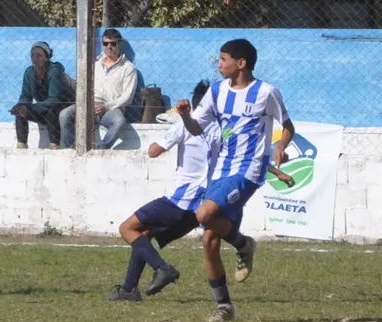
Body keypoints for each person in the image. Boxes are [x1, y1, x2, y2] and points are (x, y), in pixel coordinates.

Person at [110, 81, 296, 302]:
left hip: (181, 199)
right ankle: (130, 289)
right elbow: (243, 158)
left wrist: (175, 129)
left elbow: (153, 151)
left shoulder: (188, 123)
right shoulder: (224, 129)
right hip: (209, 200)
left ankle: (163, 269)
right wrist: (276, 172)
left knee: (128, 228)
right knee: (146, 235)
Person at [176, 39, 295, 322]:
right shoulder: (216, 92)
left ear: (240, 63)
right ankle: (225, 307)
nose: (219, 64)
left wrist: (279, 147)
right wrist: (184, 116)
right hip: (219, 171)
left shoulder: (266, 92)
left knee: (203, 214)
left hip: (249, 170)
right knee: (208, 239)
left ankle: (242, 244)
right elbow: (196, 129)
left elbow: (288, 127)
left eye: (223, 59)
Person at [60, 29, 137, 149]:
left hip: (110, 108)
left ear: (119, 44)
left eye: (113, 43)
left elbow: (128, 97)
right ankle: (69, 149)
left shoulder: (128, 68)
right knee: (64, 115)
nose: (109, 47)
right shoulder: (94, 64)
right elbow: (83, 84)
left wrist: (106, 106)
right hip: (90, 104)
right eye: (105, 43)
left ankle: (101, 149)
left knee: (119, 122)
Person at [10, 41, 74, 149]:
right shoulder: (29, 72)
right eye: (33, 55)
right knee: (20, 110)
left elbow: (54, 100)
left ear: (47, 57)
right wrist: (21, 106)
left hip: (63, 104)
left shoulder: (54, 72)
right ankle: (21, 145)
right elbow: (25, 96)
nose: (35, 58)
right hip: (44, 106)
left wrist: (30, 107)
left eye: (39, 55)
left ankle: (54, 145)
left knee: (51, 112)